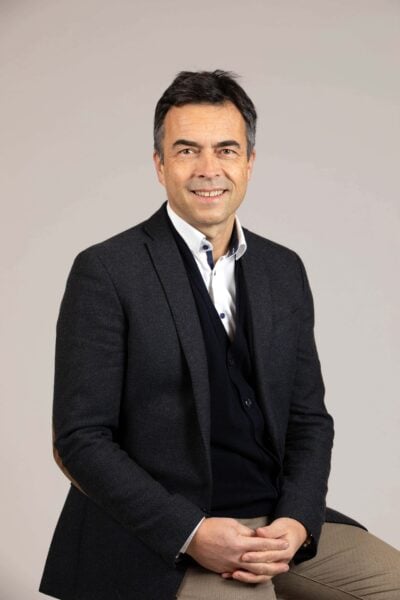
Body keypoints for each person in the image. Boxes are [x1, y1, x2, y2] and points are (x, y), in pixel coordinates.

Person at [39, 70, 399, 600]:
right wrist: (191, 533)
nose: (209, 169)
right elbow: (79, 439)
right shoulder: (107, 271)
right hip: (161, 537)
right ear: (160, 165)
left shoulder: (283, 270)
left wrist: (298, 521)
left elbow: (308, 419)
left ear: (248, 163)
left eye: (226, 150)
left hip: (275, 521)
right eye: (187, 150)